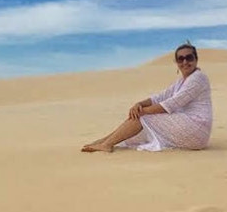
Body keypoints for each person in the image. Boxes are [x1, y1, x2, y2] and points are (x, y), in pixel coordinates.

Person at [81, 43, 212, 153]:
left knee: (142, 118)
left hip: (196, 129)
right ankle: (105, 141)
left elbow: (171, 104)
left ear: (196, 59)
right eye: (180, 59)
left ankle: (107, 144)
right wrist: (139, 104)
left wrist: (141, 111)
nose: (185, 62)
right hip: (191, 127)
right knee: (140, 120)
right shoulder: (183, 80)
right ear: (176, 62)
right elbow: (161, 96)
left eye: (189, 58)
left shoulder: (197, 78)